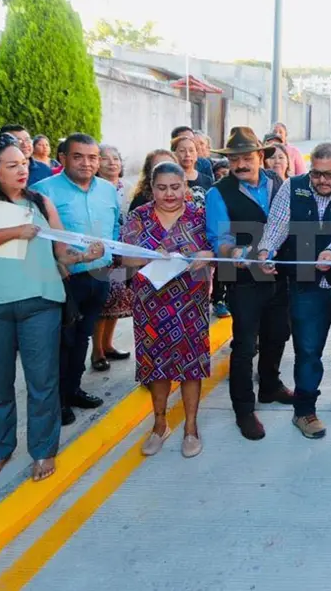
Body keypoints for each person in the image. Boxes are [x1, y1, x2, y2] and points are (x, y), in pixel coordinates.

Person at [0, 135, 102, 482]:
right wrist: (15, 231)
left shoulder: (41, 202)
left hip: (40, 302)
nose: (22, 170)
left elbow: (61, 250)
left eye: (24, 164)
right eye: (12, 165)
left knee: (42, 381)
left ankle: (44, 450)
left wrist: (82, 255)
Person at [257, 141, 331, 439]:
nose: (321, 180)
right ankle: (304, 411)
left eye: (328, 174)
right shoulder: (292, 187)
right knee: (308, 349)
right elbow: (277, 224)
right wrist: (266, 251)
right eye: (315, 174)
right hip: (305, 282)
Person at [205, 127, 295, 440]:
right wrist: (241, 254)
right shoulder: (218, 193)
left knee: (278, 334)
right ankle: (244, 408)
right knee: (244, 345)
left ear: (260, 156)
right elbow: (220, 239)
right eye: (234, 159)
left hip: (280, 274)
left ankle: (270, 386)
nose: (240, 164)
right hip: (243, 279)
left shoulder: (278, 182)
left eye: (246, 157)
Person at [119, 162, 214, 458]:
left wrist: (208, 254)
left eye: (175, 187)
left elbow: (219, 249)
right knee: (156, 366)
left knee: (190, 366)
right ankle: (159, 425)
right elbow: (123, 258)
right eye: (162, 188)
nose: (169, 194)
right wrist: (147, 256)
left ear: (185, 187)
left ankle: (191, 427)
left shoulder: (200, 216)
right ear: (151, 188)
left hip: (190, 304)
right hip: (150, 304)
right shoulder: (139, 216)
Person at [32, 134, 121, 426]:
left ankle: (73, 390)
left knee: (83, 337)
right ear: (63, 158)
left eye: (93, 157)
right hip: (63, 278)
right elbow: (35, 238)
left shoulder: (108, 190)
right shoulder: (42, 191)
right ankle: (57, 400)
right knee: (61, 341)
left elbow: (115, 228)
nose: (87, 163)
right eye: (78, 156)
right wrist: (55, 265)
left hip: (99, 274)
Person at [91, 145, 132, 372]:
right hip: (102, 252)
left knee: (117, 299)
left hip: (124, 252)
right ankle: (96, 350)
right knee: (102, 301)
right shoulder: (93, 188)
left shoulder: (129, 188)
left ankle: (108, 345)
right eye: (105, 158)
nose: (112, 162)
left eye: (116, 158)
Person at [171, 135, 213, 208]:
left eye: (191, 150)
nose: (187, 154)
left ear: (196, 154)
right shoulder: (168, 179)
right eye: (182, 151)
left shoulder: (207, 180)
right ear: (174, 154)